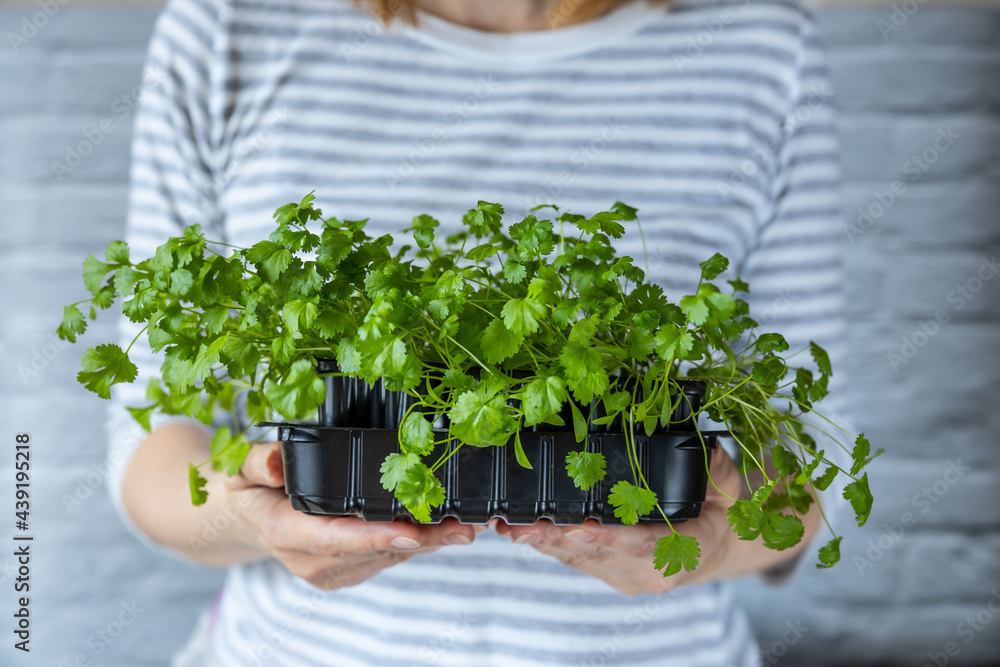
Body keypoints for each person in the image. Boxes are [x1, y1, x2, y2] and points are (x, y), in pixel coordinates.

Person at [106, 0, 851, 664]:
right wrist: (249, 512)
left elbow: (811, 469)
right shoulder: (228, 26)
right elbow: (153, 447)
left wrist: (710, 544)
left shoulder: (760, 46)